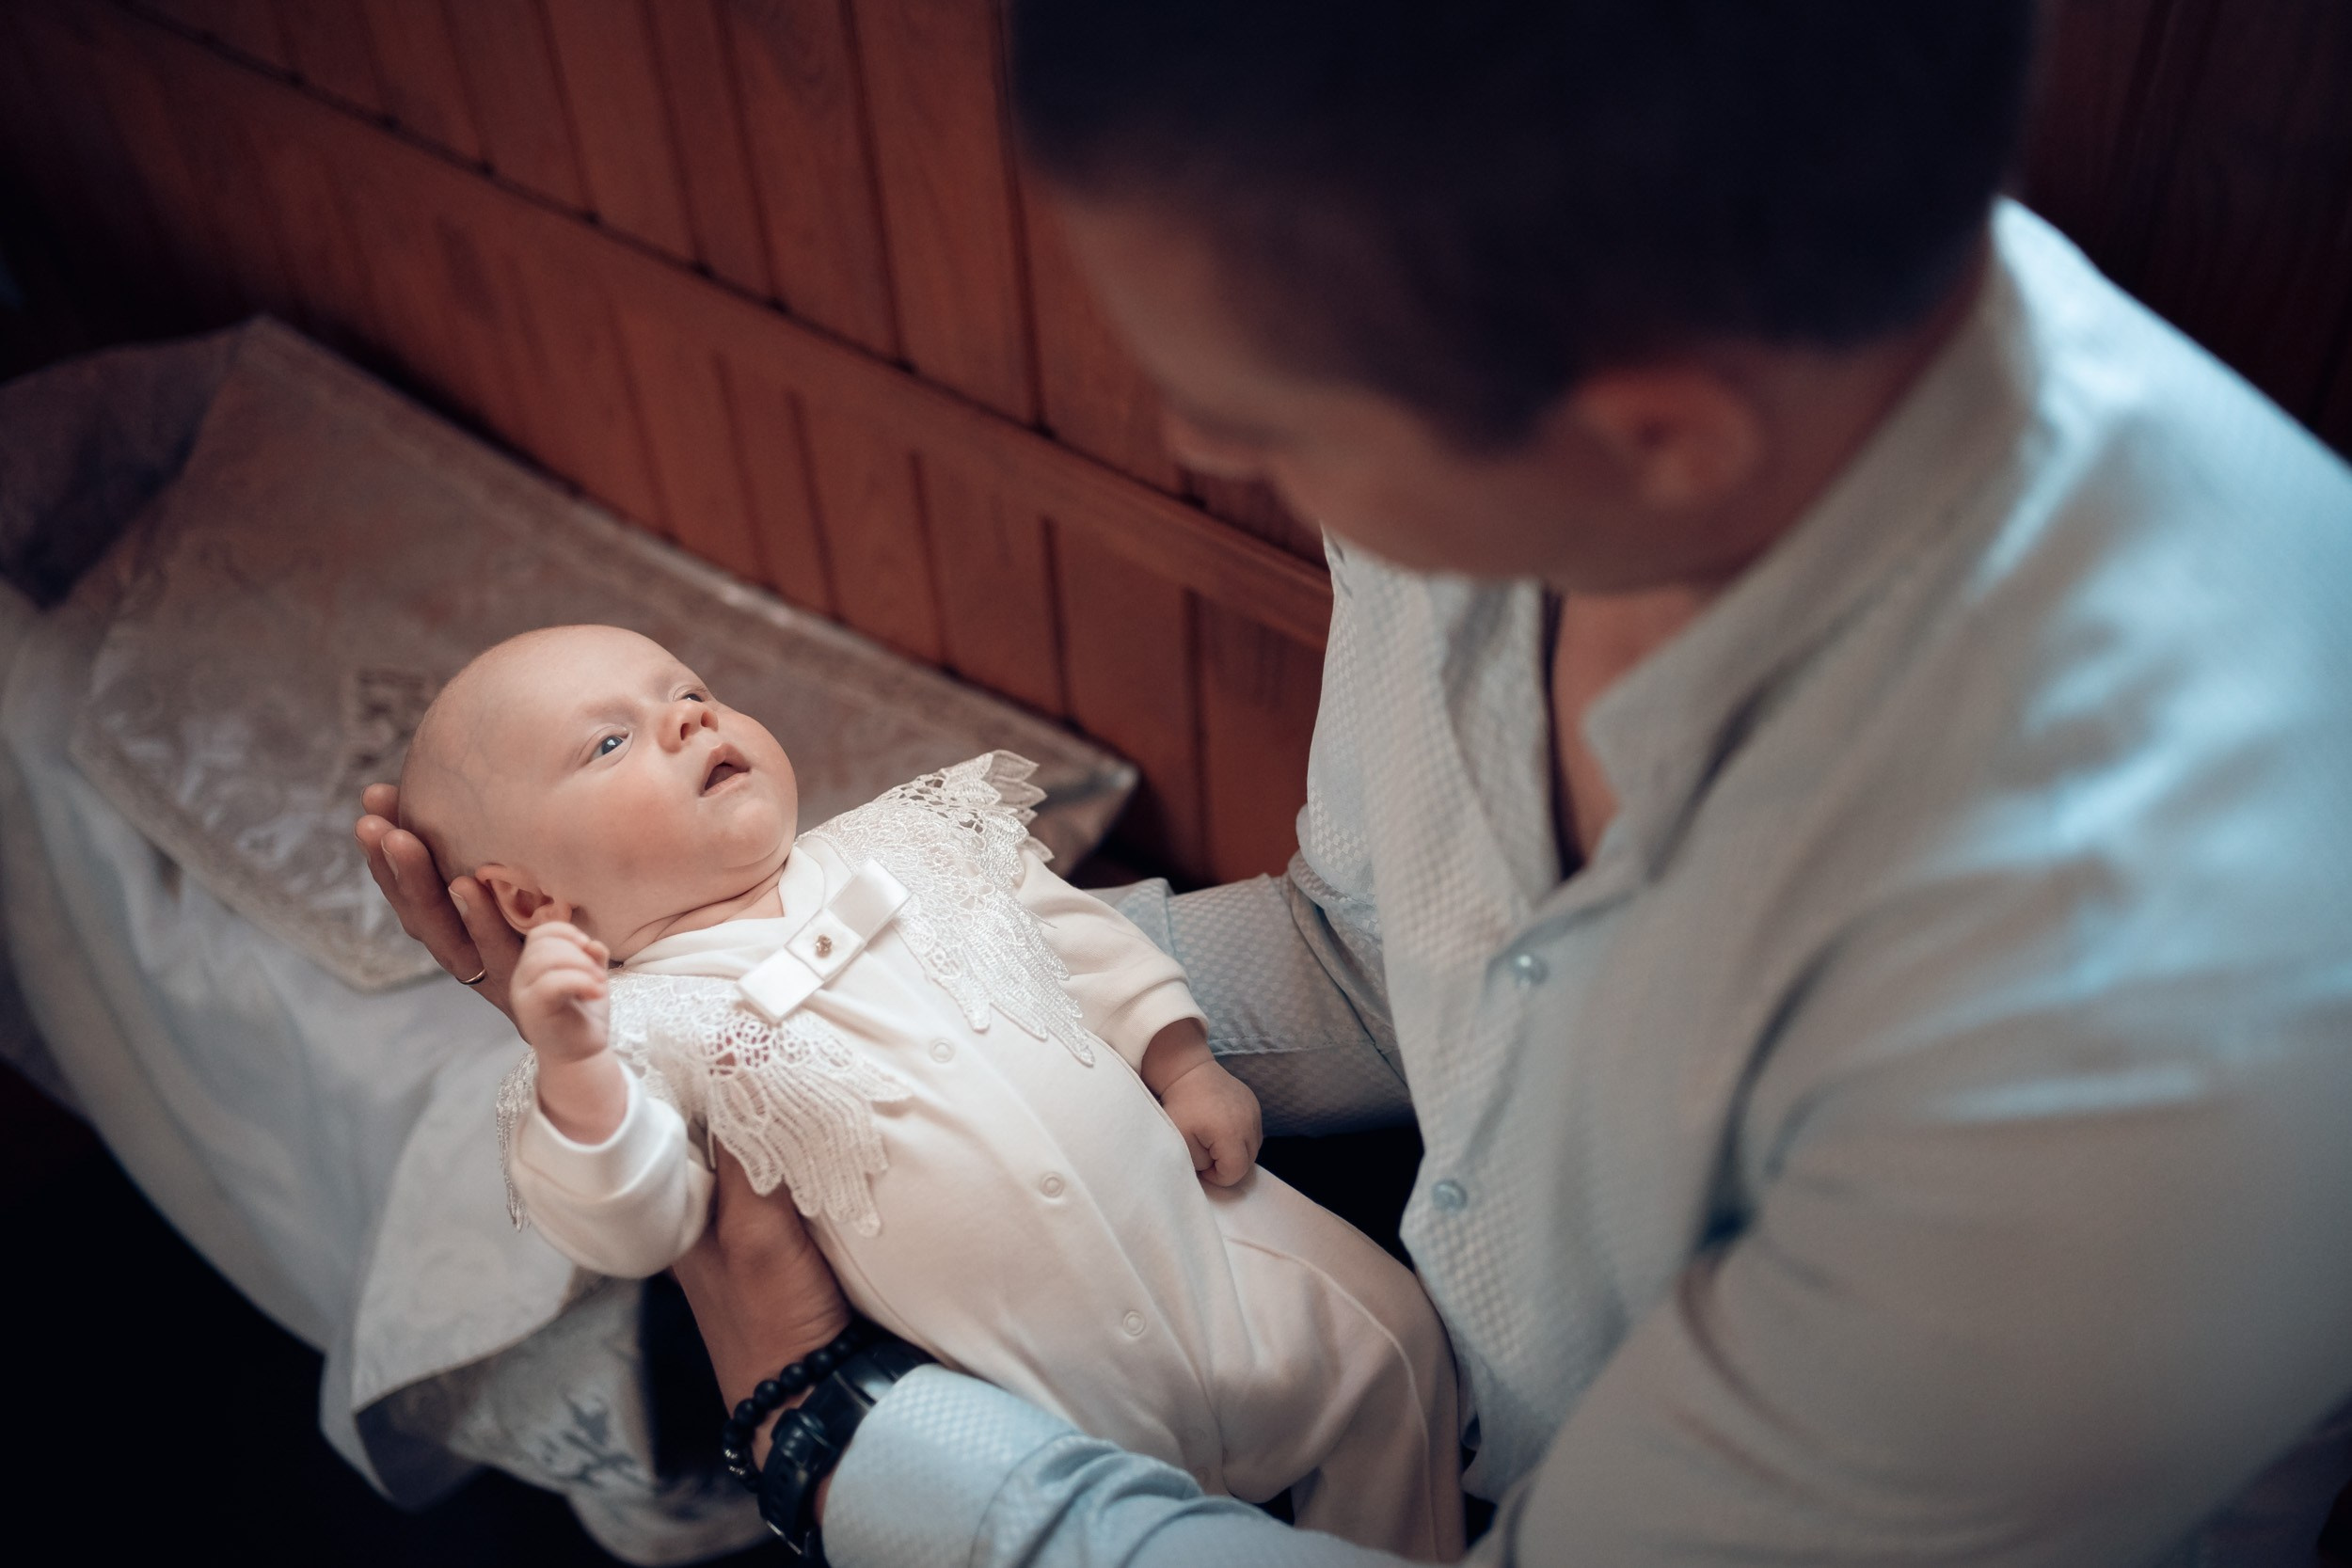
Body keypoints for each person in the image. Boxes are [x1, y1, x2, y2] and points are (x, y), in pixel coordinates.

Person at [362, 2, 2352, 1561]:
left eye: (1260, 417)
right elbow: (1382, 945)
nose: (1196, 443)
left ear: (1647, 436)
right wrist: (741, 997)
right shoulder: (1539, 369)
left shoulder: (2117, 1056)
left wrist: (825, 1422)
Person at [389, 623, 1462, 1560]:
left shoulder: (906, 843)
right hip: (1026, 1377)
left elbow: (1080, 940)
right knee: (1053, 1521)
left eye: (690, 692)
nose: (684, 720)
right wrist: (577, 1075)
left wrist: (1180, 1058)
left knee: (1393, 1342)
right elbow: (636, 1219)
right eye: (610, 739)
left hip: (1211, 1240)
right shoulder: (629, 1031)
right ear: (530, 899)